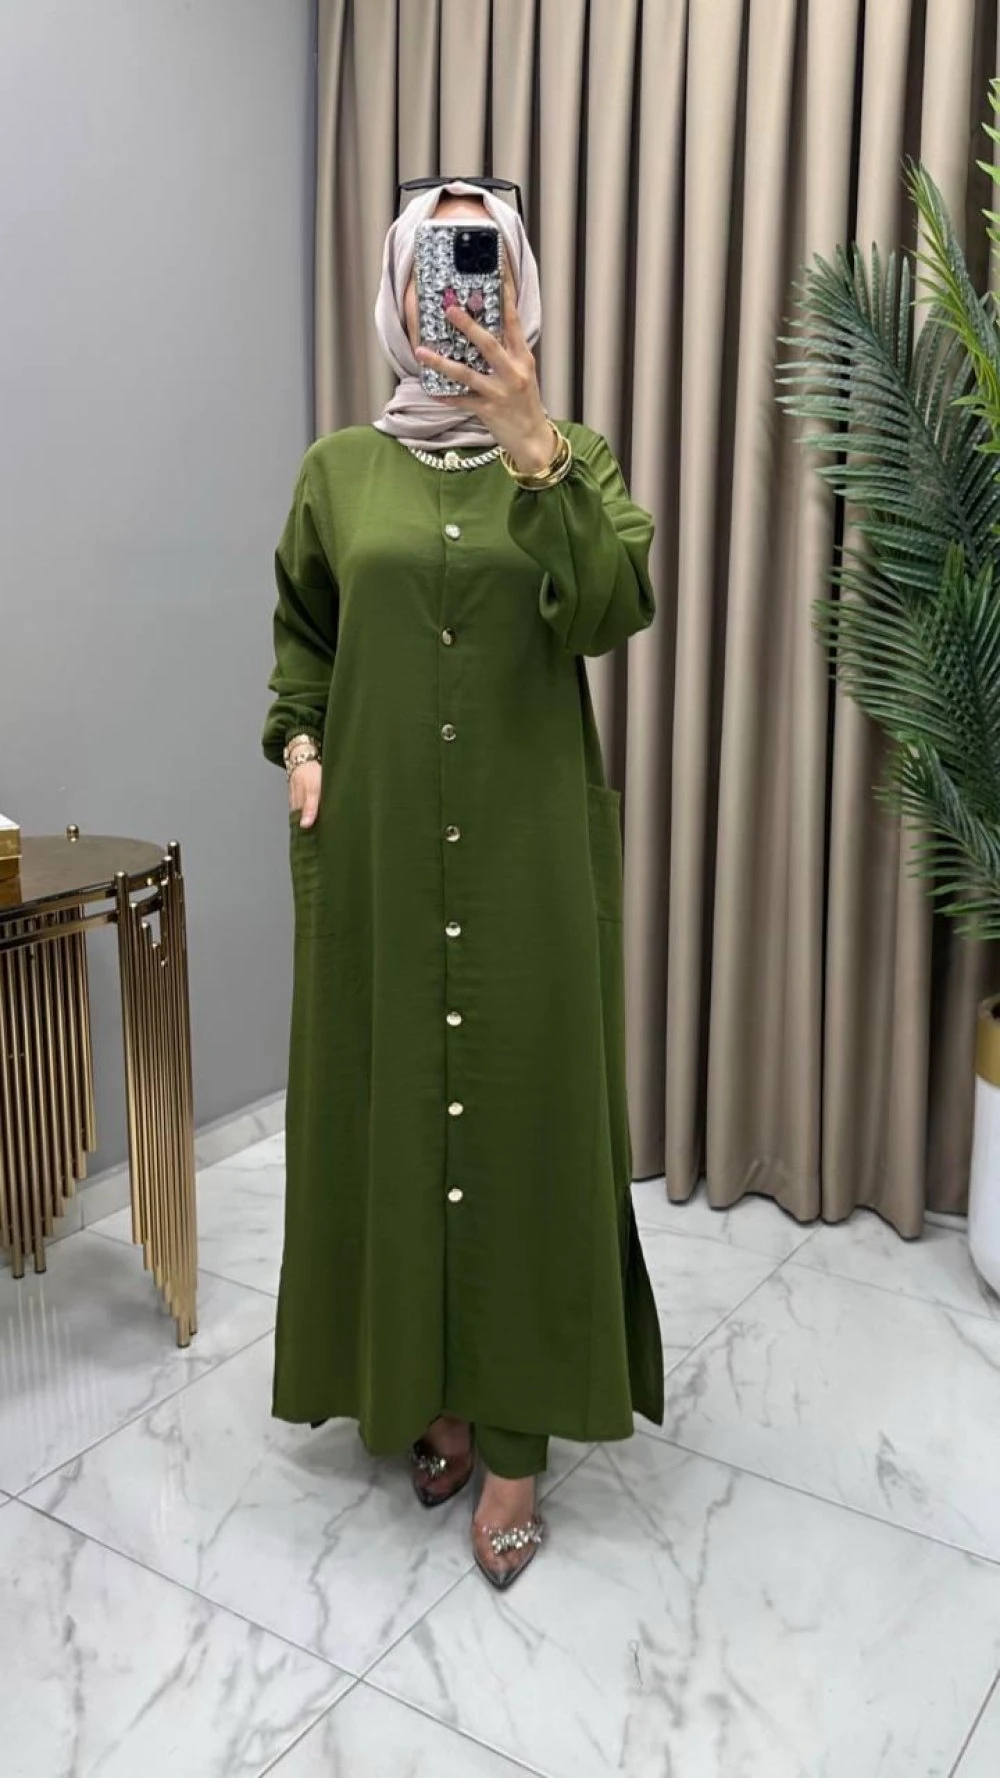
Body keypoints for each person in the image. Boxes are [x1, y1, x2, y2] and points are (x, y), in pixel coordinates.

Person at [262, 179, 664, 1590]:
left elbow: (611, 608)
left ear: (519, 287)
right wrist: (302, 745)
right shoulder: (337, 472)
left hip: (523, 846)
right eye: (439, 261)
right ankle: (425, 1390)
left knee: (525, 1121)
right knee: (390, 1108)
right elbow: (304, 634)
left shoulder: (573, 458)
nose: (458, 292)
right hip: (374, 842)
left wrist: (538, 455)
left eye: (479, 259)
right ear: (398, 286)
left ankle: (514, 1438)